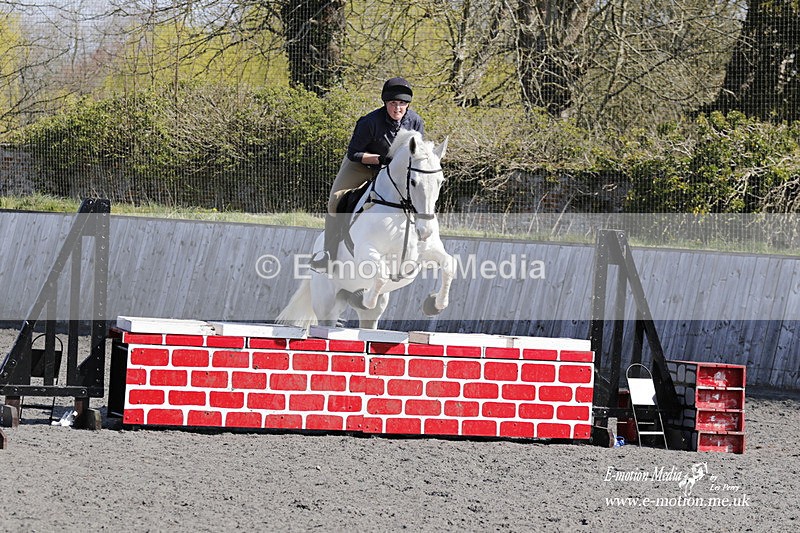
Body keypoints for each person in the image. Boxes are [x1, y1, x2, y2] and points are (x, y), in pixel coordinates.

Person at [310, 77, 425, 271]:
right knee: (335, 200)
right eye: (393, 103)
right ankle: (328, 253)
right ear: (385, 103)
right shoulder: (369, 122)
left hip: (393, 169)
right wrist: (379, 160)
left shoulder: (415, 121)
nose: (398, 108)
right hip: (362, 164)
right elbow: (353, 153)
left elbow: (417, 151)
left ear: (408, 105)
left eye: (402, 104)